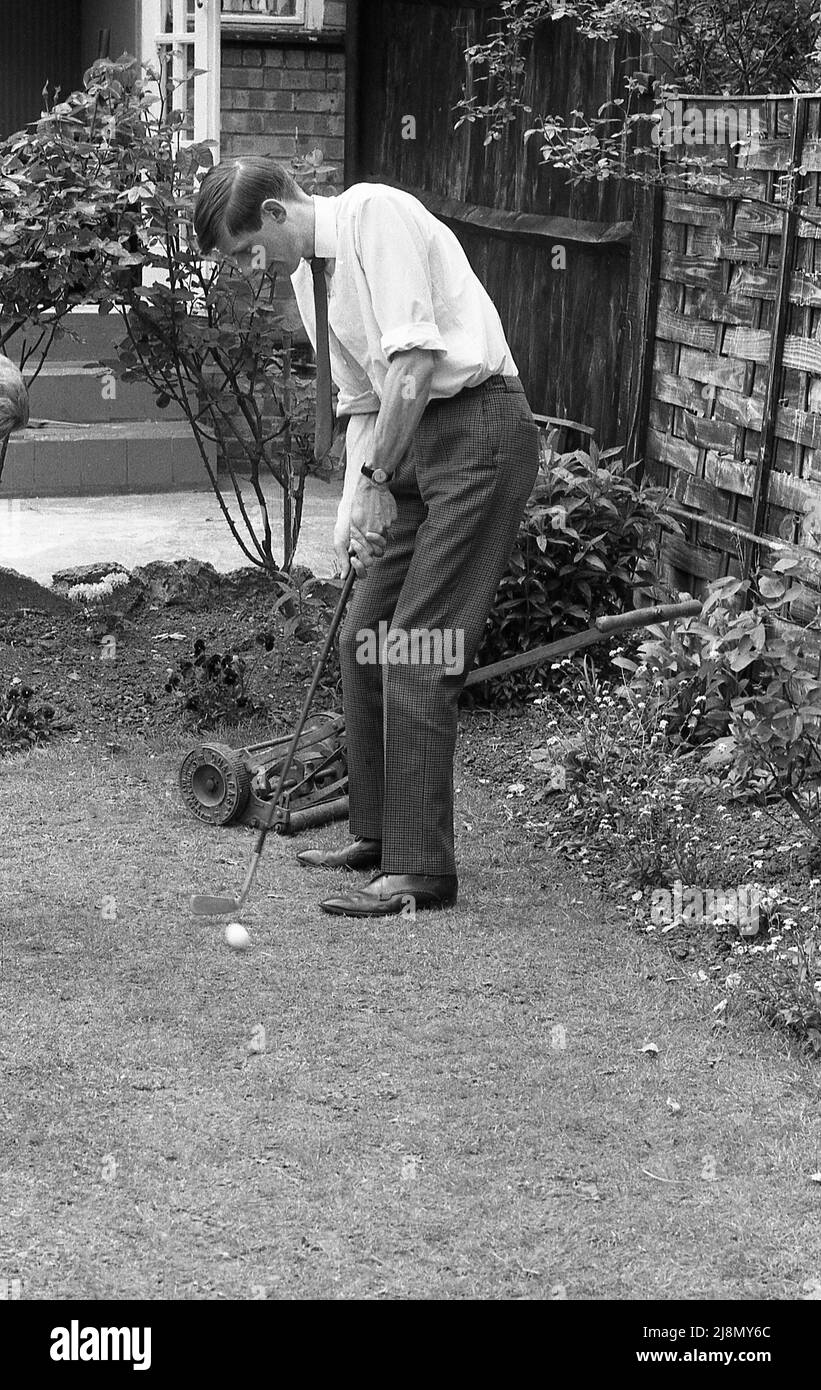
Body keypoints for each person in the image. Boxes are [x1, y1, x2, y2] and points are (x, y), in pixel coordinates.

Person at [194, 157, 540, 917]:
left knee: (417, 647)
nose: (252, 267)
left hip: (477, 435)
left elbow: (414, 366)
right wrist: (356, 510)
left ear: (280, 210)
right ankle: (378, 836)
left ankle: (422, 872)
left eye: (249, 247)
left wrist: (382, 481)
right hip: (405, 448)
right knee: (362, 637)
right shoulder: (303, 277)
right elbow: (362, 402)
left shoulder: (374, 215)